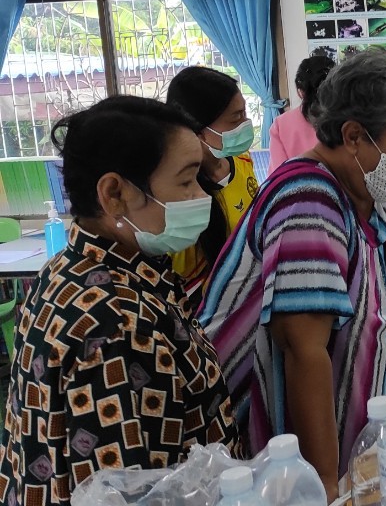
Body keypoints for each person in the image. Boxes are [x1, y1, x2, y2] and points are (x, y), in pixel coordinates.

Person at [198, 51, 386, 502]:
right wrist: (322, 481)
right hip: (281, 441)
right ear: (354, 136)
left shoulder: (380, 185)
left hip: (352, 418)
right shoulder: (307, 200)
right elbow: (304, 349)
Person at [0, 96, 242, 504]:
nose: (202, 195)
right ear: (114, 193)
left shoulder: (74, 268)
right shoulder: (114, 323)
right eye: (185, 181)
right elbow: (126, 490)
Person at [165, 66, 261, 299]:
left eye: (245, 113)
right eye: (236, 118)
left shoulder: (242, 160)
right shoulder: (178, 197)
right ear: (198, 130)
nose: (246, 124)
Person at [268, 54, 335, 173]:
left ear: (300, 92)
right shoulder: (351, 118)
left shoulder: (282, 124)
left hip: (297, 188)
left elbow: (278, 174)